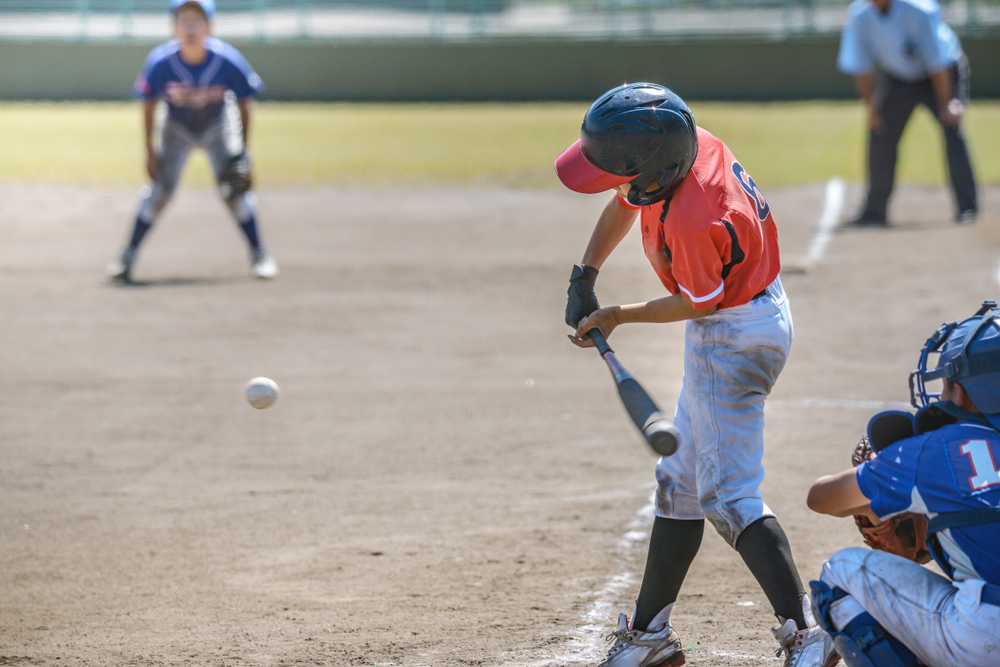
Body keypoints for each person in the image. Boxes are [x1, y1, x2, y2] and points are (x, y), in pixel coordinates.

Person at [554, 82, 836, 667]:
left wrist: (617, 314)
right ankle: (650, 635)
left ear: (655, 167)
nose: (612, 182)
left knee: (728, 496)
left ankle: (807, 632)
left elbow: (698, 302)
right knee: (679, 485)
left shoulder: (693, 215)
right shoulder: (683, 147)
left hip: (733, 335)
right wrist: (586, 274)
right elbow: (624, 203)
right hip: (745, 314)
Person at [807, 301, 1000, 667]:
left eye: (947, 379)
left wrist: (880, 497)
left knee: (839, 573)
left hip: (987, 638)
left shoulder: (937, 447)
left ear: (963, 391)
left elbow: (821, 497)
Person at [107, 0, 278, 282]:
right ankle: (127, 255)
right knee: (160, 191)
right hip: (176, 129)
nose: (190, 27)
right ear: (173, 27)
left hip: (218, 126)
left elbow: (246, 103)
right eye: (183, 20)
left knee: (234, 191)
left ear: (210, 26)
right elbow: (148, 105)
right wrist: (149, 151)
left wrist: (242, 150)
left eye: (197, 20)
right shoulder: (161, 62)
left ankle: (260, 253)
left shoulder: (227, 59)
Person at [838, 0, 978, 226]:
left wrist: (947, 105)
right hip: (900, 76)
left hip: (942, 72)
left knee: (953, 129)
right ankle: (875, 209)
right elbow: (861, 65)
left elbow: (937, 62)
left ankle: (967, 207)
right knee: (880, 131)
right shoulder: (859, 16)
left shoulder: (918, 11)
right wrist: (872, 108)